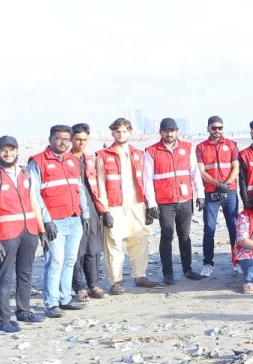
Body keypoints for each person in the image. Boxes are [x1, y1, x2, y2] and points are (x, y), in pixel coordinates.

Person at [0, 136, 44, 332]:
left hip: (29, 230)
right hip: (7, 233)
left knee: (25, 273)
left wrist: (41, 230)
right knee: (5, 277)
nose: (8, 153)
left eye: (11, 149)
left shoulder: (26, 173)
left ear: (18, 151)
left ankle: (24, 311)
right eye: (3, 150)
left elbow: (34, 202)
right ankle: (3, 321)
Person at [29, 124, 90, 317]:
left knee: (70, 261)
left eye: (66, 139)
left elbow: (78, 188)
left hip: (74, 219)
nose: (63, 142)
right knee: (55, 262)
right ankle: (51, 303)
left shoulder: (72, 160)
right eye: (58, 138)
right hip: (54, 222)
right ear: (50, 140)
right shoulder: (38, 162)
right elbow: (34, 194)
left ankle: (65, 299)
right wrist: (46, 221)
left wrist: (85, 213)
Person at [97, 118, 158, 293]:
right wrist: (105, 210)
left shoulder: (139, 153)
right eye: (117, 131)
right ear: (112, 133)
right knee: (114, 243)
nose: (121, 134)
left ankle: (140, 275)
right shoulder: (103, 155)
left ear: (130, 132)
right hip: (114, 205)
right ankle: (116, 281)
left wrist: (149, 205)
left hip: (137, 204)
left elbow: (146, 181)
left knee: (139, 239)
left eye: (124, 131)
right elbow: (100, 183)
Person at [144, 117, 204, 284]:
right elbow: (147, 180)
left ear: (177, 131)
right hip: (165, 202)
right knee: (167, 235)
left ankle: (188, 269)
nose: (169, 134)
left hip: (185, 200)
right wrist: (152, 204)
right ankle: (168, 273)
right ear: (160, 132)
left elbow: (194, 173)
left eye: (172, 130)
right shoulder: (151, 151)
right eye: (165, 131)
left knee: (184, 235)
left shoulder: (187, 148)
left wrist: (200, 194)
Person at [196, 115, 239, 278]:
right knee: (209, 228)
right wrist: (216, 184)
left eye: (220, 128)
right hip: (210, 192)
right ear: (208, 128)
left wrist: (225, 185)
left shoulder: (231, 145)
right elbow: (201, 170)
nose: (217, 131)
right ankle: (208, 263)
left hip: (230, 192)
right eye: (213, 128)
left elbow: (235, 167)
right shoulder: (201, 147)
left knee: (234, 227)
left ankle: (238, 262)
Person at [69, 124, 107, 301]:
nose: (81, 142)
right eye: (78, 139)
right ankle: (79, 286)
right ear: (71, 139)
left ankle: (94, 284)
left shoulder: (91, 159)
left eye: (84, 139)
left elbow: (100, 184)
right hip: (72, 209)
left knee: (93, 247)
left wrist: (104, 209)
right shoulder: (66, 160)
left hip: (92, 206)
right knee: (77, 249)